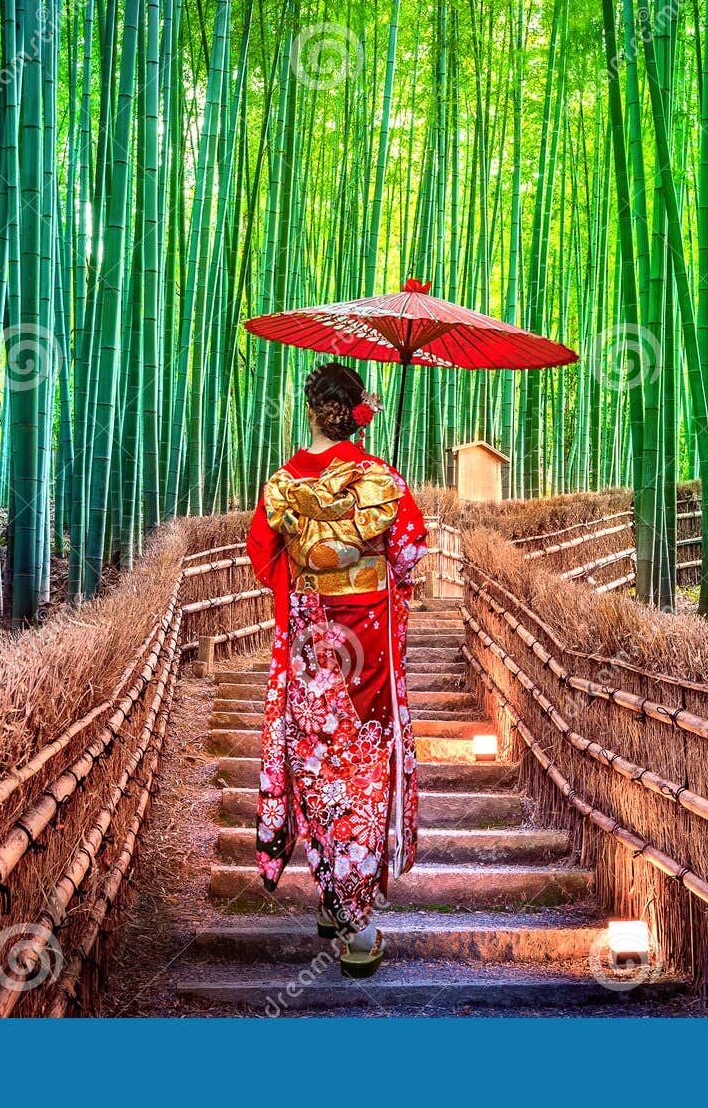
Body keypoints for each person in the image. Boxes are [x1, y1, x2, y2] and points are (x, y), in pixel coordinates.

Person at [244, 362, 427, 978]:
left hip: (310, 643)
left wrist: (311, 577)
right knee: (362, 766)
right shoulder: (382, 480)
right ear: (356, 411)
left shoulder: (282, 483)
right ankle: (357, 925)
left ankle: (331, 893)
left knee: (317, 759)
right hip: (367, 644)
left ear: (310, 408)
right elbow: (406, 555)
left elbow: (264, 561)